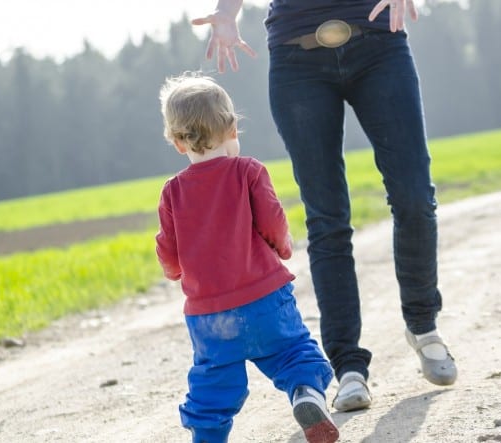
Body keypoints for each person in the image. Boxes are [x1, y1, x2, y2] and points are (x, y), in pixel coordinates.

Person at [192, 0, 458, 413]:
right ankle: (349, 366)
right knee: (327, 217)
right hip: (298, 60)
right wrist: (227, 13)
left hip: (379, 45)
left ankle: (423, 327)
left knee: (415, 197)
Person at [156, 73, 340, 443]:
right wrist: (283, 247)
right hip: (264, 299)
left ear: (177, 142)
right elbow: (272, 219)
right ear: (232, 128)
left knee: (213, 380)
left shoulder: (173, 191)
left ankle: (207, 435)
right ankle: (306, 392)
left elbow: (168, 248)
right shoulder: (248, 171)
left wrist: (176, 271)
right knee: (292, 351)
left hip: (209, 314)